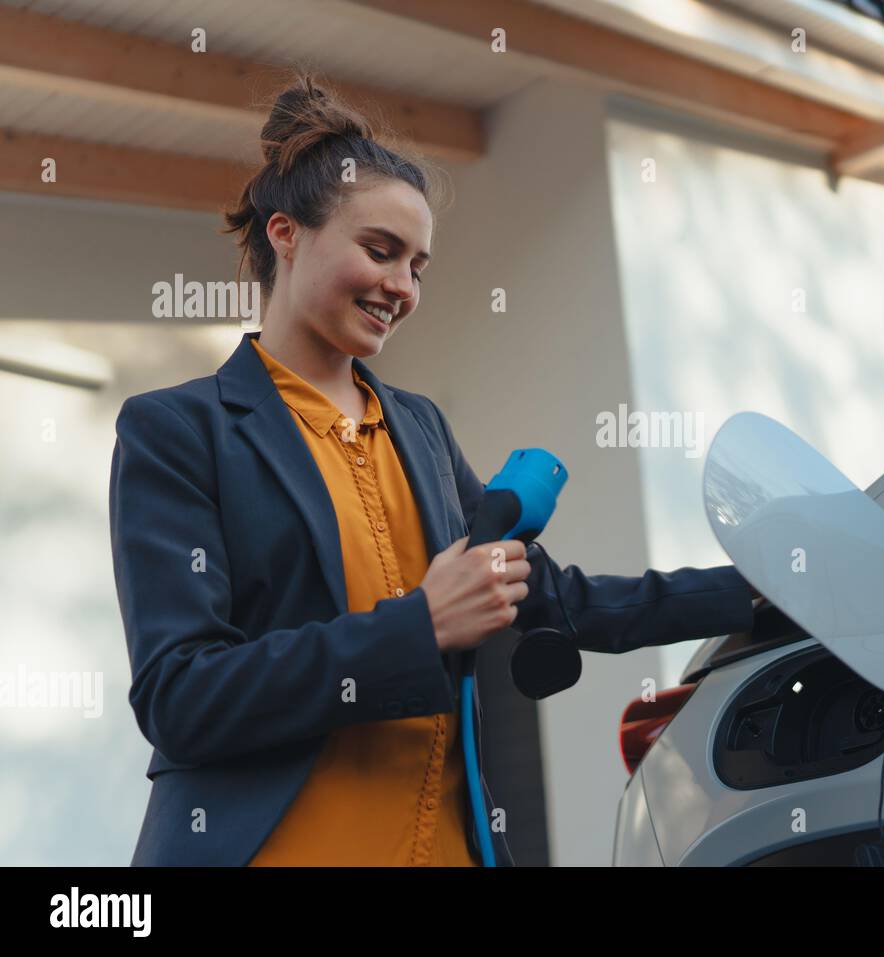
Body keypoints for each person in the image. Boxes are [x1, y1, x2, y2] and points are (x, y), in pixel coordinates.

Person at [108, 75, 759, 867]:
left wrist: (772, 586)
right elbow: (181, 698)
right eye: (380, 251)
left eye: (418, 266)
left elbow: (563, 598)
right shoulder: (178, 430)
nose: (402, 288)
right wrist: (418, 626)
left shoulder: (418, 427)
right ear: (285, 233)